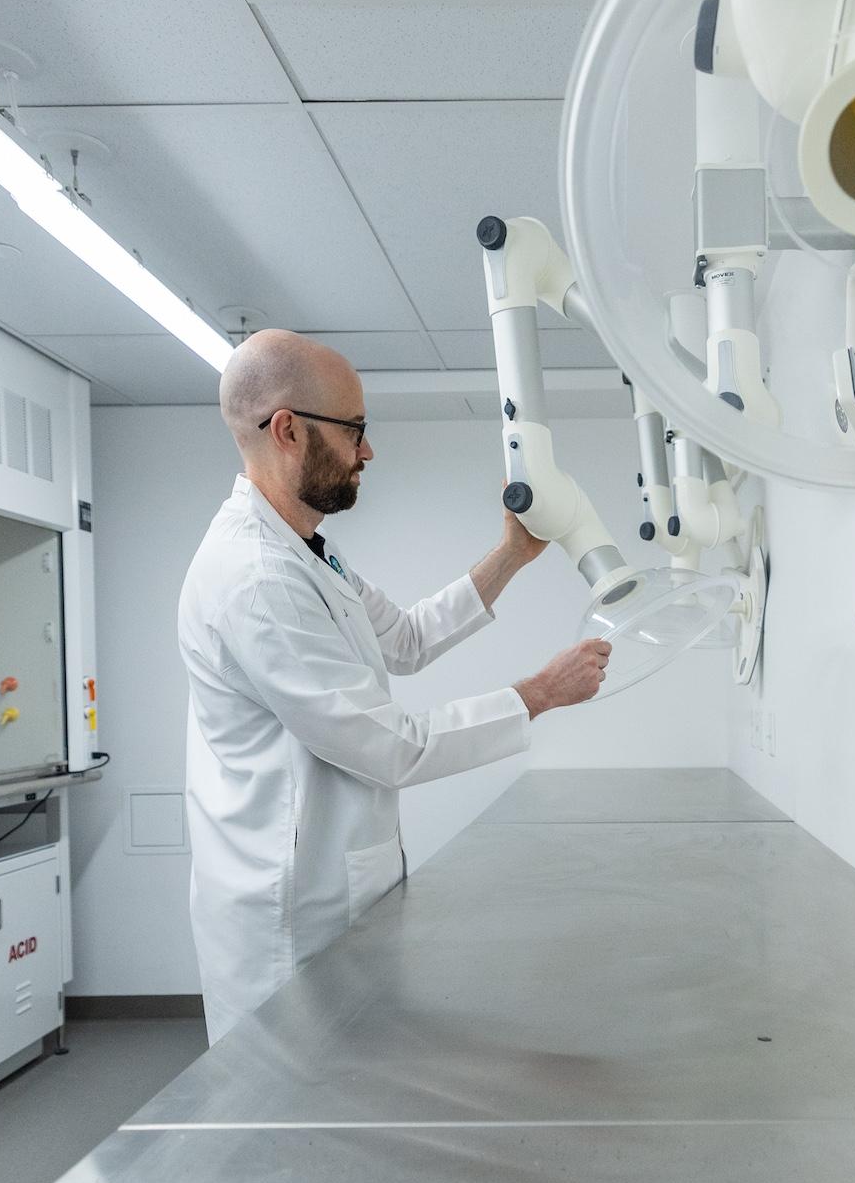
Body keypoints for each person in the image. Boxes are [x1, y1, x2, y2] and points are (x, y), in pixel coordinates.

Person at [178, 330, 610, 1043]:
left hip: (335, 889)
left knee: (351, 1099)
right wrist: (537, 694)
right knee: (294, 1118)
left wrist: (511, 556)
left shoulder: (308, 553)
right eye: (355, 431)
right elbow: (390, 749)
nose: (367, 452)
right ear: (288, 429)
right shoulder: (256, 580)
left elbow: (404, 639)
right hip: (288, 913)